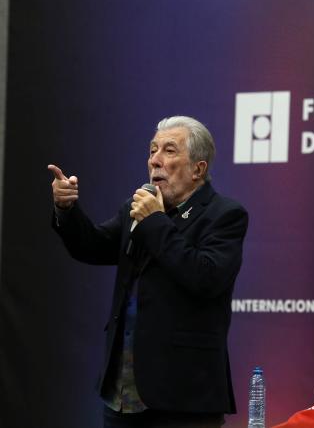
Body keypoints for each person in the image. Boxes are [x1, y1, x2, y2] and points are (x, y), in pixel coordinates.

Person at [49, 116, 248, 428]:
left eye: (169, 151)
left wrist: (155, 221)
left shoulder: (224, 215)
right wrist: (67, 210)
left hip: (183, 396)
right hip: (122, 391)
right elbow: (92, 247)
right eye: (153, 150)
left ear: (198, 169)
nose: (155, 160)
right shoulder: (138, 207)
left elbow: (205, 278)